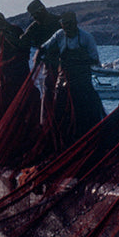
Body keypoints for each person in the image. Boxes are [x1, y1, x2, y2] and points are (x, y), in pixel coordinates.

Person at [37, 10, 106, 143]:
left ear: (75, 23)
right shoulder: (59, 35)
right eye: (64, 24)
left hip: (81, 83)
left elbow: (94, 60)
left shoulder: (86, 38)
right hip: (62, 82)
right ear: (61, 25)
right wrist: (41, 54)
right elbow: (45, 47)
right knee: (60, 113)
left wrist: (77, 61)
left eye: (70, 24)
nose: (67, 27)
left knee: (84, 115)